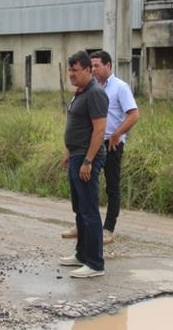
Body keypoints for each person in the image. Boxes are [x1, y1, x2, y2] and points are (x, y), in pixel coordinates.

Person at [61, 50, 140, 245]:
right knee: (86, 187)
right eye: (92, 65)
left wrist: (116, 134)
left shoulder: (120, 87)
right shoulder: (89, 88)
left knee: (112, 186)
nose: (94, 69)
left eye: (97, 65)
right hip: (89, 145)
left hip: (111, 144)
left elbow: (133, 114)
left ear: (109, 66)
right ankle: (82, 225)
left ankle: (108, 228)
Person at [58, 50, 108, 278]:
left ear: (88, 70)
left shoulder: (95, 94)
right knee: (79, 209)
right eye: (70, 70)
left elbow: (99, 130)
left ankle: (95, 263)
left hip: (88, 158)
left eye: (75, 70)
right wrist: (69, 152)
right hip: (76, 155)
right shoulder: (80, 92)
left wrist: (88, 160)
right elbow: (76, 125)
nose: (71, 74)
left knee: (89, 211)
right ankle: (81, 254)